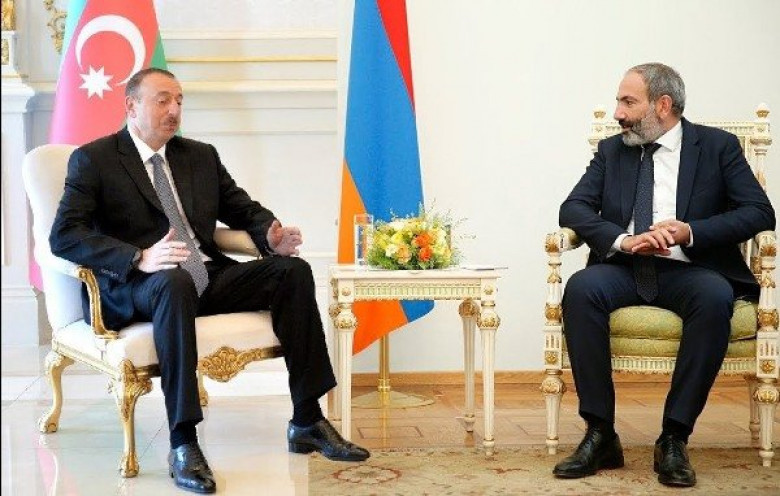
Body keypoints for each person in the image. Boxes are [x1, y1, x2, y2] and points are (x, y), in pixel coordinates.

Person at [49, 68, 369, 494]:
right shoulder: (96, 159)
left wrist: (268, 233)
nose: (174, 110)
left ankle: (307, 419)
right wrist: (139, 257)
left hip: (204, 276)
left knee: (292, 271)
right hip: (142, 284)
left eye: (179, 101)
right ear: (131, 105)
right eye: (163, 100)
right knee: (173, 281)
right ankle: (183, 441)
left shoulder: (199, 156)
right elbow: (65, 235)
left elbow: (241, 208)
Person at [553, 63, 774, 487]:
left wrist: (691, 231)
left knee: (715, 298)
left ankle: (674, 436)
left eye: (628, 102)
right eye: (619, 101)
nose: (618, 113)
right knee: (581, 289)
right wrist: (623, 240)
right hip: (624, 267)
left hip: (691, 269)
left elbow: (759, 212)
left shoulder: (717, 147)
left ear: (663, 105)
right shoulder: (612, 150)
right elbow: (573, 208)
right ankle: (600, 433)